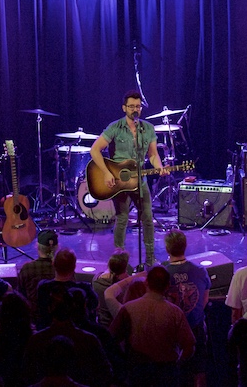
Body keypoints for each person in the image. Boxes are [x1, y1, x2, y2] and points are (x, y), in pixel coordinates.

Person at [89, 90, 166, 267]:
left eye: (138, 106)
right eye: (131, 106)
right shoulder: (115, 127)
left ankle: (150, 258)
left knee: (147, 217)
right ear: (124, 108)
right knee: (122, 218)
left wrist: (159, 167)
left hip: (140, 179)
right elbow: (95, 150)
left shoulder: (148, 128)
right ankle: (119, 260)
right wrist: (107, 172)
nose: (135, 109)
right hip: (119, 180)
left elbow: (153, 155)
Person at [109, 266, 196, 387]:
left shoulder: (128, 308)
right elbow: (189, 345)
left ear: (146, 282)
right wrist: (177, 364)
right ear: (167, 286)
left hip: (137, 372)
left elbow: (110, 339)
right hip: (166, 373)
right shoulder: (175, 312)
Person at [161, 229, 211, 387]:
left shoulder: (162, 273)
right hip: (196, 327)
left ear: (167, 249)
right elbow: (204, 299)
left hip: (171, 329)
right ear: (185, 246)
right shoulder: (200, 271)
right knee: (199, 369)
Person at [35, 249, 99, 329]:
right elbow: (95, 306)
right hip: (80, 332)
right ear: (74, 266)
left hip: (47, 331)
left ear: (53, 264)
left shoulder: (43, 287)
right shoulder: (85, 288)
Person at [17, 230, 59, 320]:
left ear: (37, 246)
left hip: (33, 317)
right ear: (56, 247)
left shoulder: (27, 268)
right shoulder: (61, 268)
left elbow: (20, 294)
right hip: (57, 317)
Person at [92, 251, 130, 326]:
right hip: (117, 325)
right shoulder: (123, 289)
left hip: (101, 323)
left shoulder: (96, 280)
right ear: (124, 270)